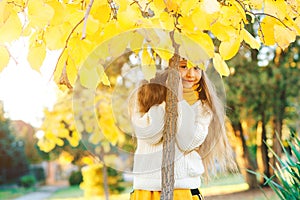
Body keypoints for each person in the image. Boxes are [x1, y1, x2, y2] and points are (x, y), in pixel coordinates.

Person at [129, 59, 236, 200]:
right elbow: (151, 135)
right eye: (183, 67)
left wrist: (179, 101)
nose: (191, 74)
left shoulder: (203, 108)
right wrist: (167, 101)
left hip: (182, 189)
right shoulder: (146, 96)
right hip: (146, 190)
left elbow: (187, 143)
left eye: (197, 68)